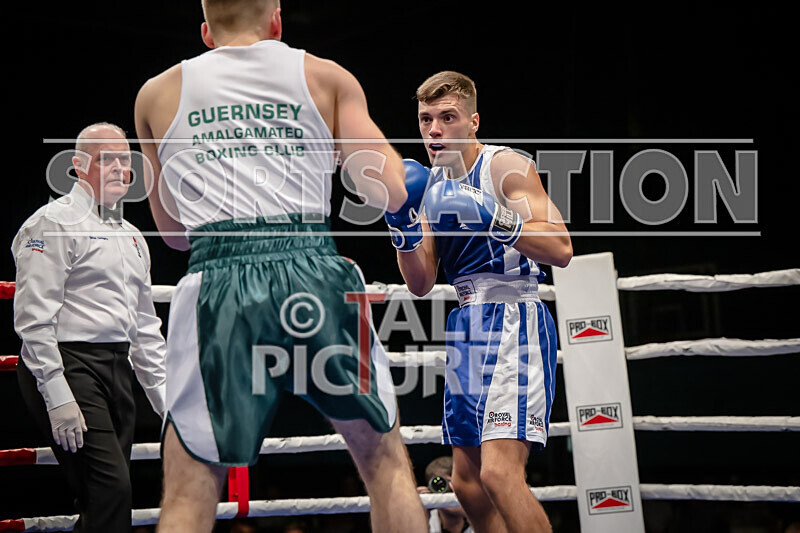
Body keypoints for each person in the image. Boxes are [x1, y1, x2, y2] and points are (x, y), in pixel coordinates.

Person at [133, 1, 426, 531]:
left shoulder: (156, 94)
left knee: (187, 493)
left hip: (217, 281)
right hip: (315, 270)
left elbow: (173, 233)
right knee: (385, 465)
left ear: (206, 31)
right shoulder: (325, 76)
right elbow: (391, 190)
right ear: (277, 21)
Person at [384, 71, 572, 533]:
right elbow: (421, 282)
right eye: (426, 119)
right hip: (467, 324)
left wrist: (494, 217)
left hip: (514, 315)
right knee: (466, 484)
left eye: (447, 118)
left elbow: (561, 247)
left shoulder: (505, 167)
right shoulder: (427, 187)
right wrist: (401, 227)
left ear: (473, 122)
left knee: (499, 475)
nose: (434, 130)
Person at [13, 122, 167, 532]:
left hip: (117, 368)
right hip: (68, 364)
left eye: (125, 160)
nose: (119, 168)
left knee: (106, 498)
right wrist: (56, 391)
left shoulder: (132, 237)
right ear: (79, 166)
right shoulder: (52, 224)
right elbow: (33, 317)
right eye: (106, 159)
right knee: (110, 489)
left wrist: (166, 402)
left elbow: (144, 327)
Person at [418, 456, 473, 533]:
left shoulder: (483, 519)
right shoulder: (426, 522)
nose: (450, 488)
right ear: (432, 489)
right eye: (442, 485)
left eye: (455, 484)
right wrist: (420, 519)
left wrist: (472, 516)